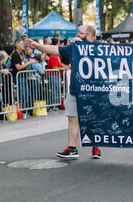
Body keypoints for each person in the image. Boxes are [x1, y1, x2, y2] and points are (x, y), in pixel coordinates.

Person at [25, 25, 101, 160]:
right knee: (72, 118)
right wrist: (37, 45)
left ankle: (96, 147)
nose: (77, 34)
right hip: (75, 89)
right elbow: (55, 50)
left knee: (92, 119)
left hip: (94, 90)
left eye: (81, 33)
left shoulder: (101, 48)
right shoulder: (74, 47)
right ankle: (72, 149)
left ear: (89, 35)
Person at [11, 39, 37, 113]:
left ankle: (24, 110)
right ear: (17, 45)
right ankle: (21, 111)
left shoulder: (22, 53)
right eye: (22, 44)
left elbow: (24, 63)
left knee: (27, 94)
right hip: (18, 77)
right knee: (23, 94)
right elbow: (18, 67)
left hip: (24, 76)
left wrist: (30, 63)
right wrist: (29, 62)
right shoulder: (15, 54)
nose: (23, 45)